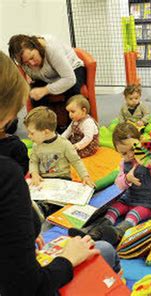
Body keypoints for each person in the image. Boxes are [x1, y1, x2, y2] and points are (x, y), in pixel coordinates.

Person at [0, 50, 119, 296]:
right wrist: (66, 259)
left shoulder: (68, 137)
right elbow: (27, 286)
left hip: (60, 183)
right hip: (26, 281)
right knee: (104, 250)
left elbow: (74, 151)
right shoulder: (9, 171)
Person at [71, 122, 151, 245]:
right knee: (114, 209)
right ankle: (91, 232)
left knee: (134, 214)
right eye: (124, 153)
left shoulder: (150, 159)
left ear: (140, 141)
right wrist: (127, 179)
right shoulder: (124, 163)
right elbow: (119, 183)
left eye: (133, 149)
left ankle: (118, 233)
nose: (130, 155)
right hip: (130, 197)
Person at [8, 34, 86, 132]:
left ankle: (75, 129)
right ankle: (47, 130)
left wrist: (46, 90)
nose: (31, 64)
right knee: (35, 96)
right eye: (26, 63)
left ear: (36, 47)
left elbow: (69, 79)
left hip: (72, 70)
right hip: (48, 77)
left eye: (32, 57)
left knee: (72, 90)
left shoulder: (51, 49)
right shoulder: (24, 62)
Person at [24, 106, 94, 187]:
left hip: (62, 179)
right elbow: (33, 161)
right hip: (43, 179)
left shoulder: (64, 144)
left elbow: (76, 161)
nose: (29, 136)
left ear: (46, 132)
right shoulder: (36, 145)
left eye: (32, 133)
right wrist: (34, 174)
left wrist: (85, 176)